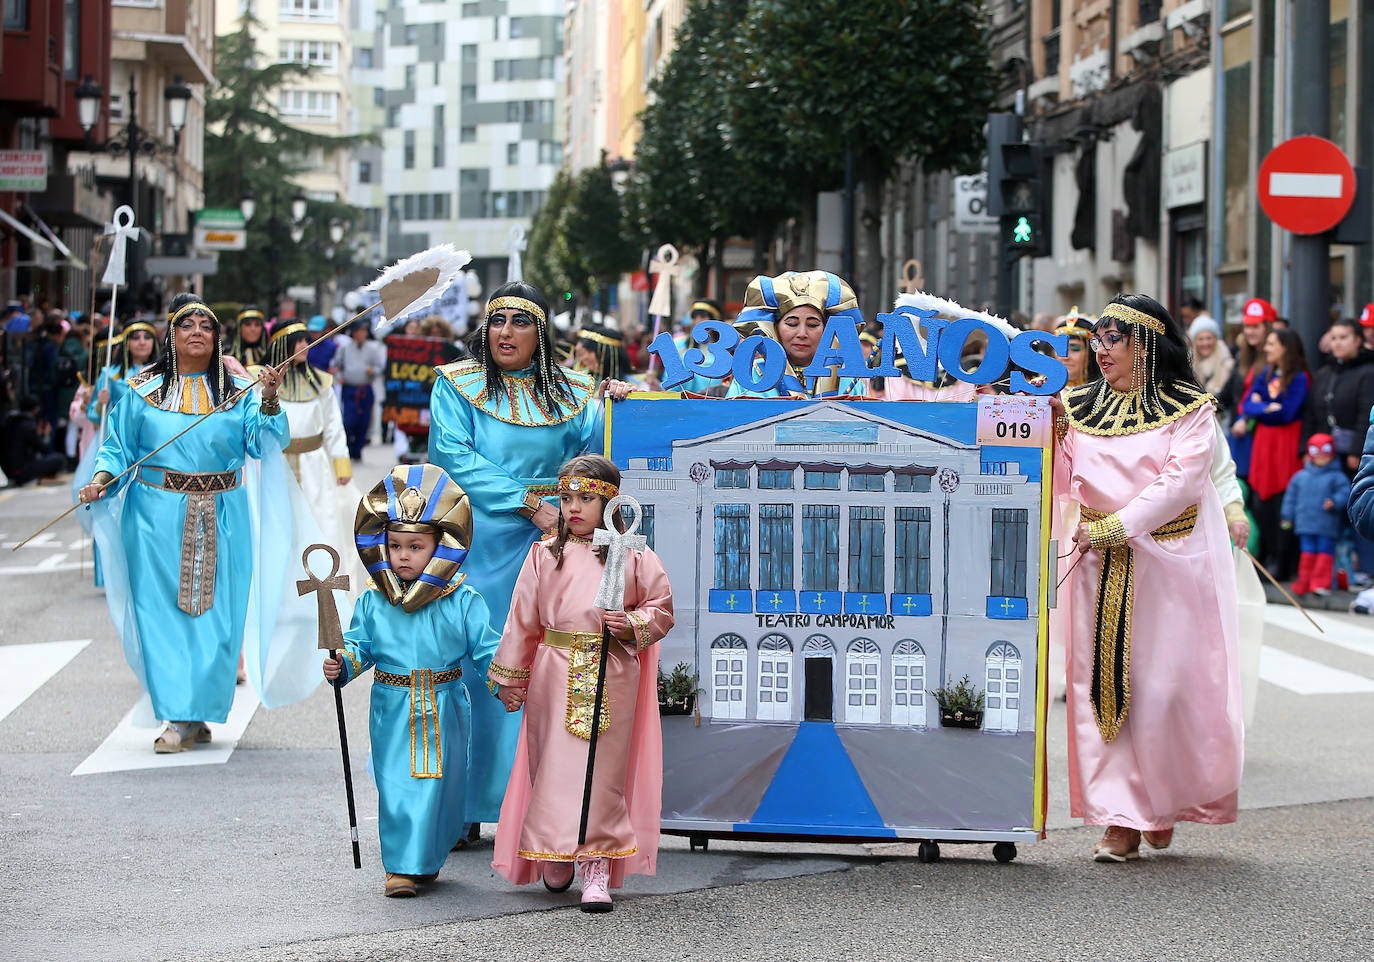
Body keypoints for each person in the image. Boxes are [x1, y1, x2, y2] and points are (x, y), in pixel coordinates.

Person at [1053, 293, 1242, 861]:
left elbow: (1182, 482)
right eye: (1098, 338)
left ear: (1146, 345)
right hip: (1096, 562)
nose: (1100, 348)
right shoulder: (1077, 405)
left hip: (1170, 560)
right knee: (1100, 687)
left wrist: (1120, 526)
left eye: (1114, 338)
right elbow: (1063, 479)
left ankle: (1162, 801)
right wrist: (1047, 433)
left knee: (1164, 690)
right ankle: (1122, 817)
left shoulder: (1190, 408)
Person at [76, 295, 305, 752]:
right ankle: (177, 715)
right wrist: (101, 480)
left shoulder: (237, 393)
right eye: (187, 324)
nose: (196, 331)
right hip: (155, 517)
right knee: (161, 614)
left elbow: (264, 444)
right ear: (172, 335)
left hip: (225, 513)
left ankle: (199, 713)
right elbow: (117, 449)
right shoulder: (141, 391)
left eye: (206, 324)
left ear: (218, 337)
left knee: (219, 620)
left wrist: (271, 399)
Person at [427, 281, 605, 841]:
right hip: (479, 542)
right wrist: (527, 502)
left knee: (547, 666)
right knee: (478, 664)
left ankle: (538, 800)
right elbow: (453, 455)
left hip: (556, 544)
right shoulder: (456, 386)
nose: (506, 332)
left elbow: (597, 454)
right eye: (497, 320)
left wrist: (616, 404)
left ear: (541, 332)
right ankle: (466, 804)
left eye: (520, 322)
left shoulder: (576, 391)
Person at [490, 455, 673, 912]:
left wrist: (631, 622)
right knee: (552, 762)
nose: (573, 508)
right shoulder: (544, 553)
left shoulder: (634, 555)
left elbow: (662, 608)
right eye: (566, 498)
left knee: (603, 769)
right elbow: (522, 619)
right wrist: (511, 677)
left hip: (612, 671)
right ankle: (556, 847)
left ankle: (596, 863)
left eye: (586, 499)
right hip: (554, 670)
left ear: (610, 502)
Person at [323, 465, 501, 897]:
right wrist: (343, 664)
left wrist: (509, 681)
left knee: (444, 785)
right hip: (393, 706)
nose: (403, 556)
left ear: (441, 547)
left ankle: (426, 857)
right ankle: (400, 866)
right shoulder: (373, 599)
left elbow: (487, 650)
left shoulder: (462, 599)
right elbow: (359, 645)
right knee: (398, 783)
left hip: (446, 705)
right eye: (395, 545)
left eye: (415, 546)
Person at [264, 320, 364, 589]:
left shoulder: (321, 382)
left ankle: (322, 583)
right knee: (279, 526)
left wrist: (342, 467)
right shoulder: (265, 383)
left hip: (315, 465)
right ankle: (280, 589)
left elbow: (333, 426)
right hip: (277, 464)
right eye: (297, 342)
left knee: (322, 521)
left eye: (306, 341)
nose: (303, 347)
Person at [726, 271, 868, 398]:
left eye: (812, 325)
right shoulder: (750, 375)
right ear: (774, 328)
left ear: (827, 329)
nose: (802, 333)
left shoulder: (848, 379)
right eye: (792, 324)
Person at [1242, 327, 1309, 579]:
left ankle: (1283, 563)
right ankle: (1266, 558)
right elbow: (1247, 404)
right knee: (1262, 504)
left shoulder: (1300, 378)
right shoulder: (1266, 374)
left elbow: (1288, 412)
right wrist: (1265, 407)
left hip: (1285, 446)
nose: (1267, 348)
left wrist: (1263, 408)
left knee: (1283, 504)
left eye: (1272, 343)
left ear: (1286, 347)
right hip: (1264, 445)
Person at [1281, 434, 1351, 596]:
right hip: (1305, 524)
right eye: (1316, 451)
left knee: (1324, 554)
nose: (1320, 456)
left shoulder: (1337, 477)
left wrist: (1334, 501)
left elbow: (1345, 493)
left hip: (1326, 524)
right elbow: (1290, 498)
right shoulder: (1300, 477)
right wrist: (1287, 516)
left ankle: (1319, 583)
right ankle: (1304, 582)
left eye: (1324, 451)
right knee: (1307, 554)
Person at [1224, 298, 1277, 479]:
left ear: (1267, 328)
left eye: (1256, 327)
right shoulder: (1242, 356)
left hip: (1259, 434)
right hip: (1238, 432)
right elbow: (1227, 393)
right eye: (1248, 326)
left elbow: (1272, 399)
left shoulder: (1274, 360)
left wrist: (1247, 418)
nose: (1250, 332)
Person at [333, 319, 385, 460]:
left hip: (365, 389)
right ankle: (349, 447)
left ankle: (358, 449)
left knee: (364, 421)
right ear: (354, 333)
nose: (362, 334)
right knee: (349, 421)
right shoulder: (344, 348)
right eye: (359, 331)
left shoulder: (372, 349)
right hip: (350, 389)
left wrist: (372, 371)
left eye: (364, 331)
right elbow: (335, 364)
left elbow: (380, 367)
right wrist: (339, 376)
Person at [1, 394, 64, 485]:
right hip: (22, 472)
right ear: (34, 409)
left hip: (9, 472)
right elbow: (43, 448)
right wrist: (46, 434)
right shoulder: (27, 425)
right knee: (59, 459)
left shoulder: (11, 422)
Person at [1188, 313, 1234, 399]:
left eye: (1209, 338)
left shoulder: (1227, 363)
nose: (1205, 343)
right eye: (1201, 339)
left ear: (1216, 339)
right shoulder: (1188, 364)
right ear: (1194, 342)